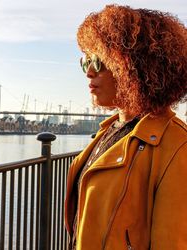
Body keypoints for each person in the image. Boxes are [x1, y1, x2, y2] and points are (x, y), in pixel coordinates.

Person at [65, 4, 187, 250]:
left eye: (98, 61)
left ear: (137, 67)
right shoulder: (109, 131)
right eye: (86, 61)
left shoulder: (176, 147)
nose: (89, 72)